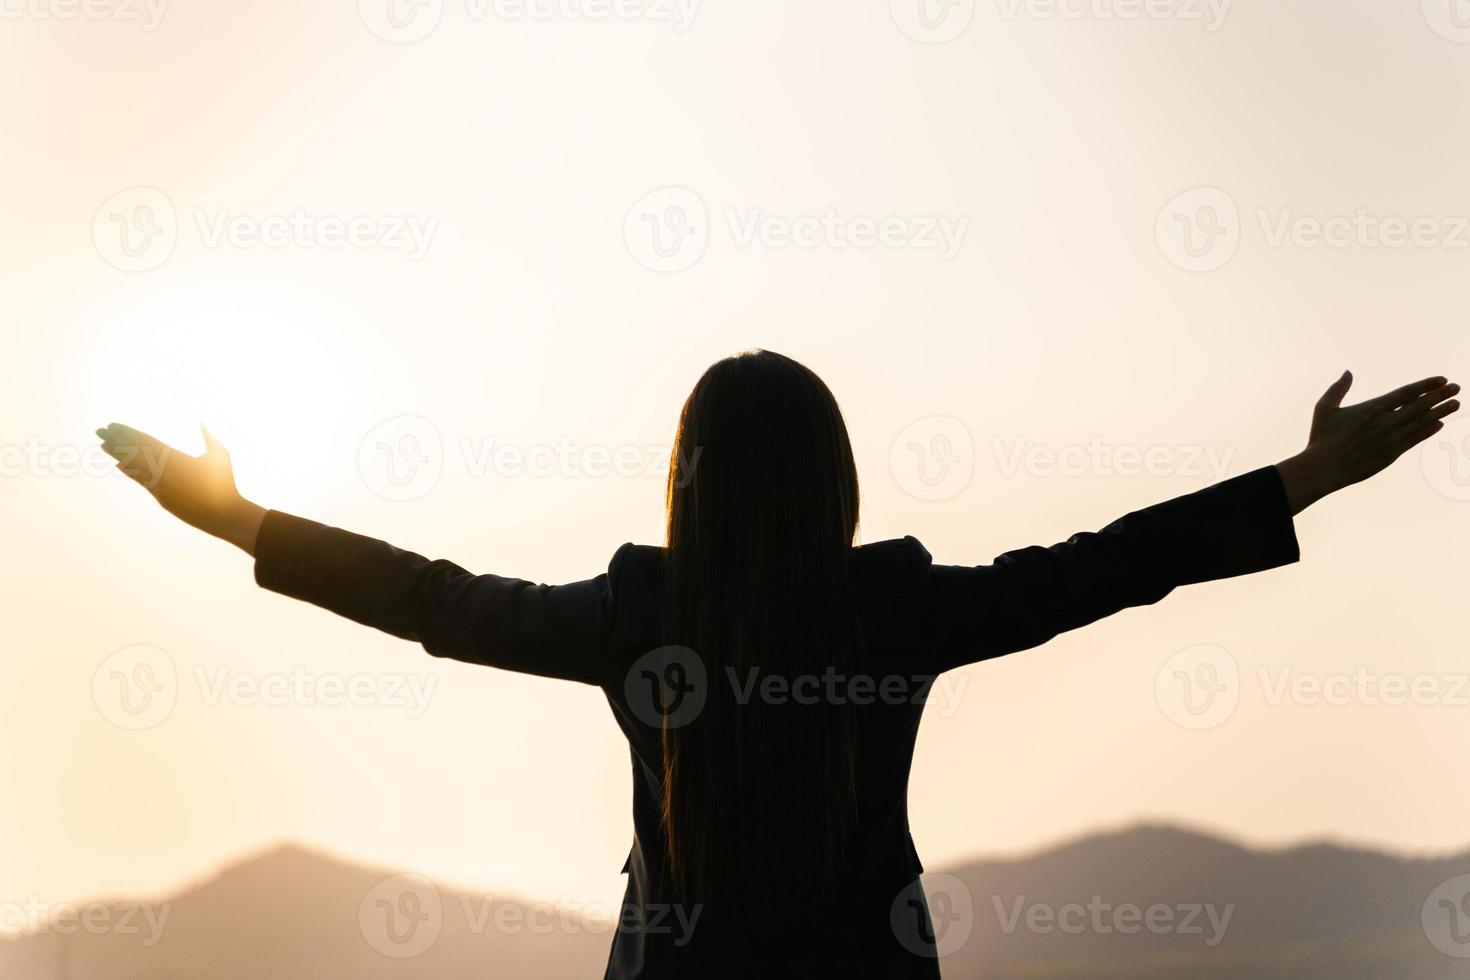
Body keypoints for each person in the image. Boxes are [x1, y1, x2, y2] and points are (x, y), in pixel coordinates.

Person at [97, 352, 1458, 978]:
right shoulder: (896, 609)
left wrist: (233, 518)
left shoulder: (638, 617)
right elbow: (1101, 564)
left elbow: (434, 600)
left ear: (685, 477)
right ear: (837, 482)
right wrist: (1306, 478)